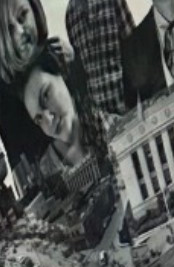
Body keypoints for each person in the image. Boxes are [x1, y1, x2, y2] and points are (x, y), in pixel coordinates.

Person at [57, 0, 134, 120]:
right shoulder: (70, 15)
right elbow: (83, 75)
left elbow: (134, 43)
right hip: (104, 123)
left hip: (130, 106)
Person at [0, 0, 65, 176]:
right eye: (9, 29)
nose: (18, 32)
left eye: (22, 16)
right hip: (36, 173)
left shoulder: (55, 54)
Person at [21, 48, 110, 199]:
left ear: (63, 76)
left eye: (46, 95)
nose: (49, 120)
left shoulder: (102, 123)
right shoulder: (47, 168)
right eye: (39, 118)